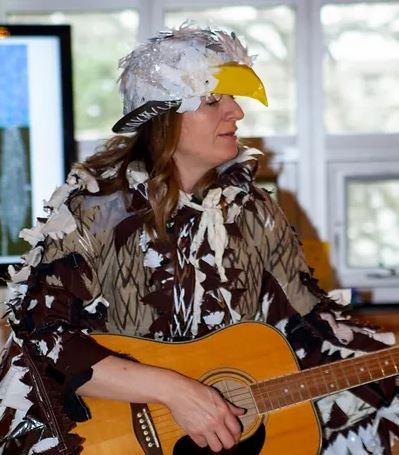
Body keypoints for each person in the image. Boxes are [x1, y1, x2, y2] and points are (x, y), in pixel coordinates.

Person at [0, 23, 398, 455]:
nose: (237, 113)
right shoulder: (93, 211)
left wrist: (386, 357)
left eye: (230, 99)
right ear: (163, 118)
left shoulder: (256, 211)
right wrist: (175, 391)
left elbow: (311, 326)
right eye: (213, 101)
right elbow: (37, 334)